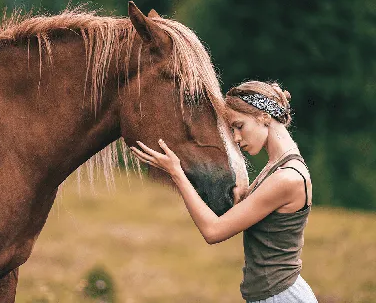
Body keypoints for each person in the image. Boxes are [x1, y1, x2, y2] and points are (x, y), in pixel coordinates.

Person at [130, 80, 318, 302]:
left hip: (280, 297)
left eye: (239, 126)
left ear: (265, 117)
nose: (236, 138)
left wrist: (177, 173)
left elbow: (213, 231)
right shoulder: (276, 166)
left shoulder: (286, 178)